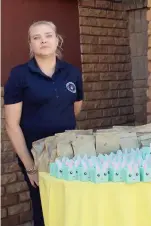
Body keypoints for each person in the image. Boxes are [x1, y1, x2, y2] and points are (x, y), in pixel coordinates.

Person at [4, 21, 83, 226]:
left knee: (71, 204)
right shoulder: (19, 75)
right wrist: (30, 166)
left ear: (57, 40)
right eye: (36, 37)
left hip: (68, 152)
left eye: (48, 35)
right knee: (44, 208)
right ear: (30, 44)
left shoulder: (72, 73)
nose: (43, 40)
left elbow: (76, 108)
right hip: (37, 154)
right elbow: (11, 125)